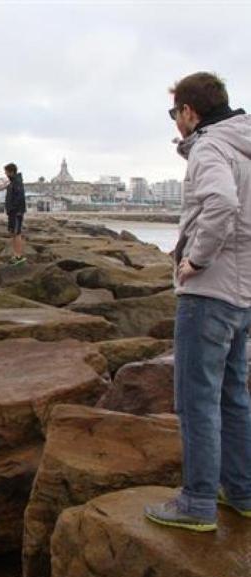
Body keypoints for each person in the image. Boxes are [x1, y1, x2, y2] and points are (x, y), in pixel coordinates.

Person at [144, 72, 251, 532]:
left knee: (196, 400)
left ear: (189, 112)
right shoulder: (243, 144)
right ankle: (242, 491)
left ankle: (198, 501)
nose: (176, 123)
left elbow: (223, 205)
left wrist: (196, 260)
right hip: (243, 294)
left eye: (175, 114)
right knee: (233, 395)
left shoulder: (210, 146)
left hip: (210, 293)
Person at [3, 163, 27, 265]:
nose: (5, 174)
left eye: (6, 172)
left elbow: (19, 198)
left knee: (17, 234)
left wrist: (14, 209)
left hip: (16, 212)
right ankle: (15, 255)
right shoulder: (13, 183)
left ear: (11, 172)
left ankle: (19, 256)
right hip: (12, 212)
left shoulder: (17, 182)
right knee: (14, 233)